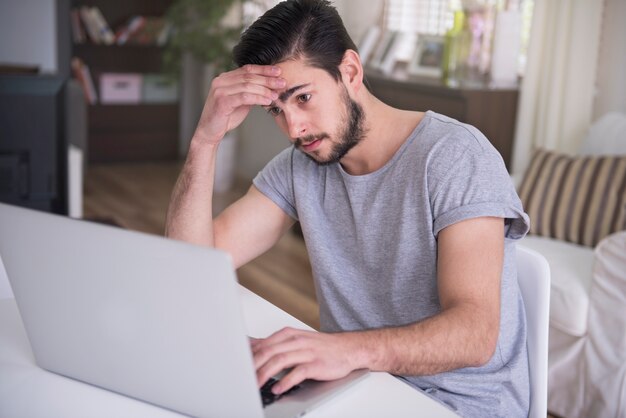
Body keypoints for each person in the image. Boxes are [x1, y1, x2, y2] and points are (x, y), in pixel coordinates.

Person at [165, 0, 531, 416]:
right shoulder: (300, 166)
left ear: (350, 72)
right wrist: (204, 142)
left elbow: (474, 335)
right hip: (358, 387)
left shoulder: (454, 157)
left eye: (302, 97)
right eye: (275, 111)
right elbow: (191, 265)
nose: (293, 128)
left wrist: (341, 351)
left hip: (459, 404)